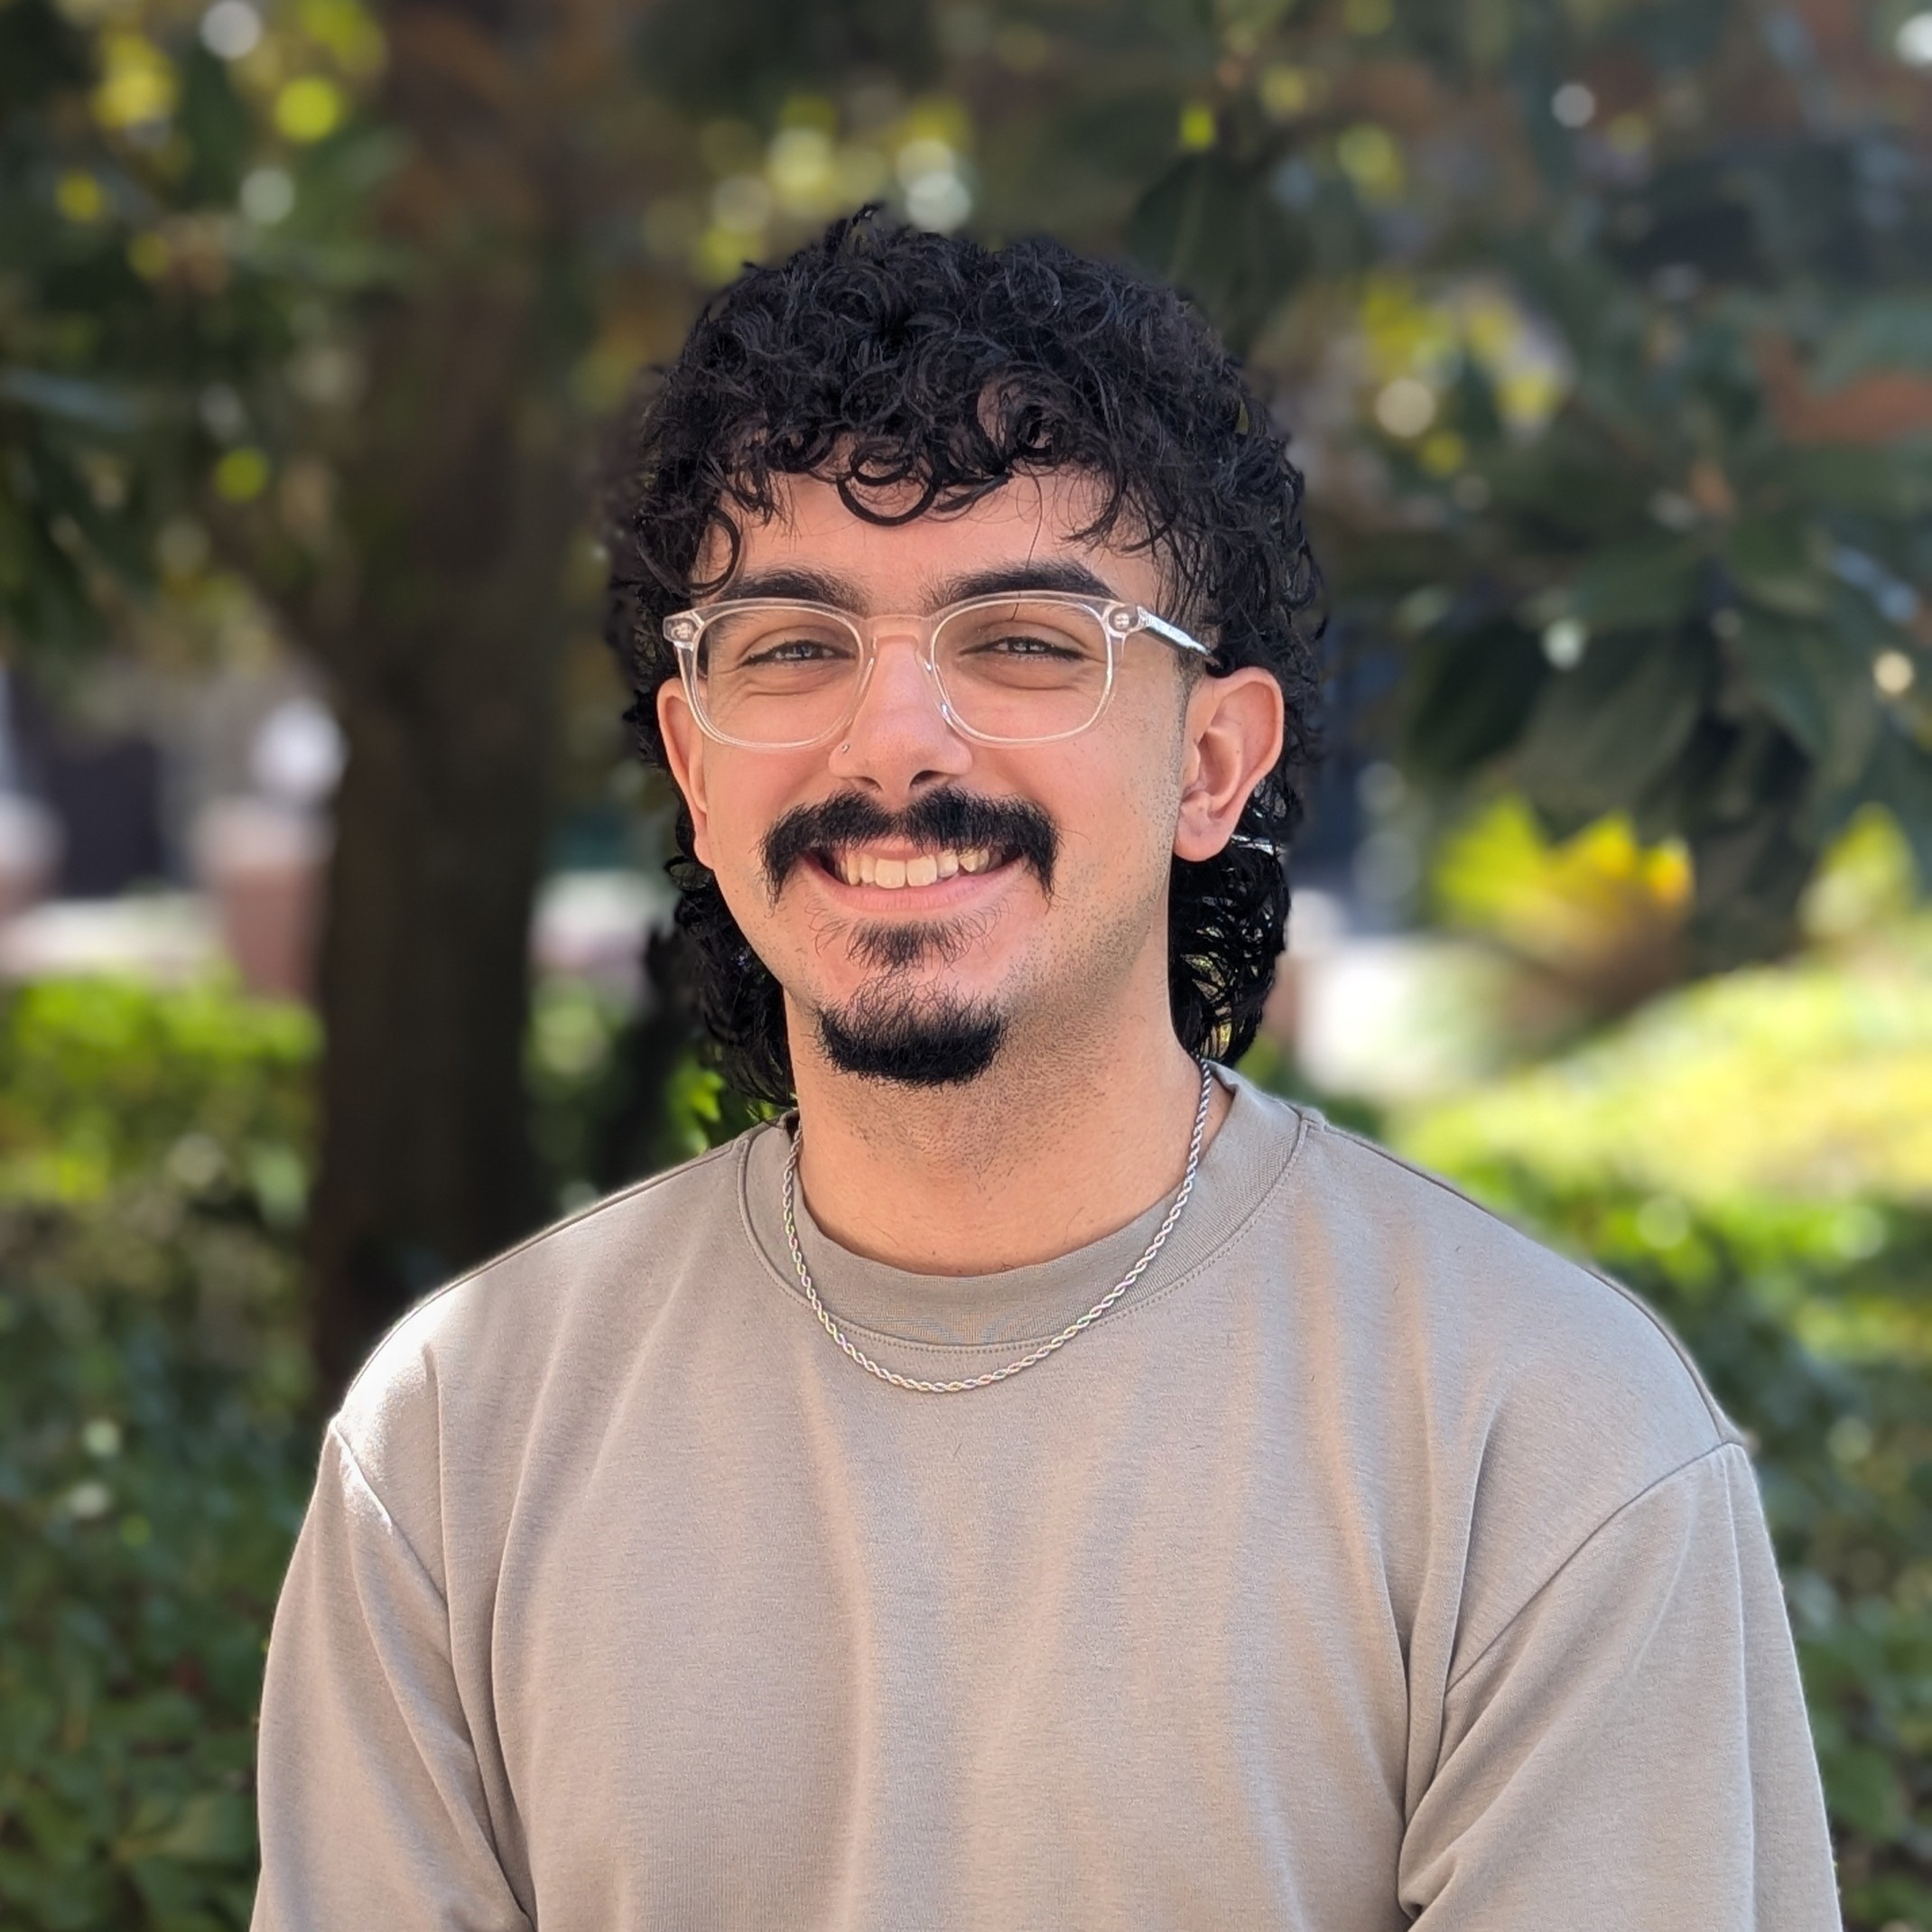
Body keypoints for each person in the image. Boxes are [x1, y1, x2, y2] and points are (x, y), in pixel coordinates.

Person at [251, 213, 1840, 1930]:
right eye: (791, 647)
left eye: (1022, 641)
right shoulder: (460, 1439)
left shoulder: (1545, 1441)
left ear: (1210, 764)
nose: (894, 740)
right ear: (697, 773)